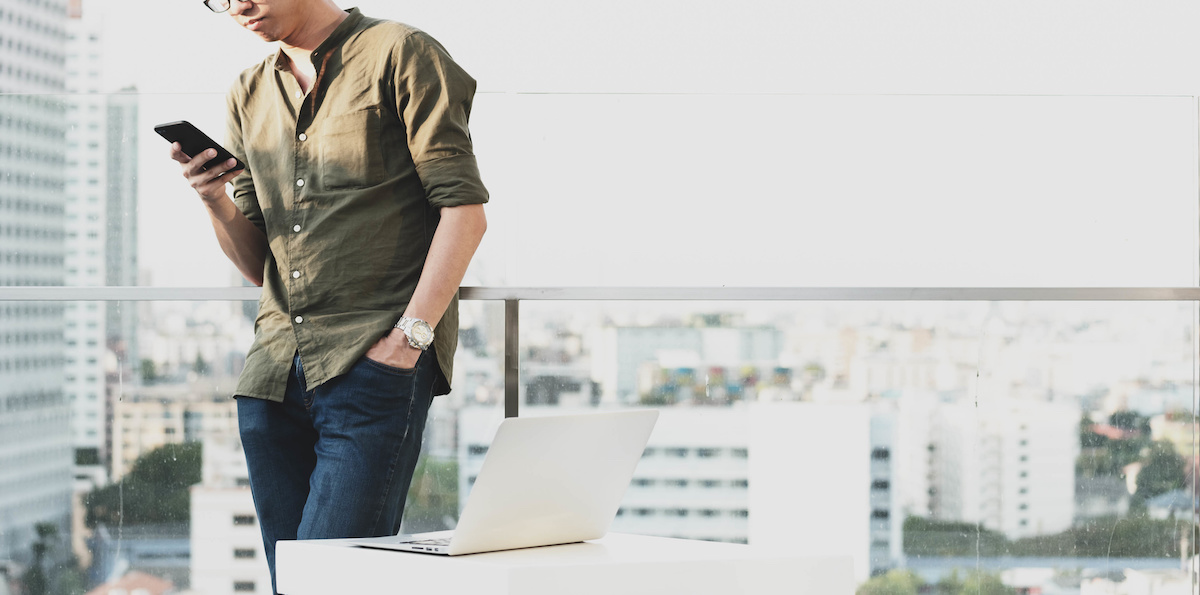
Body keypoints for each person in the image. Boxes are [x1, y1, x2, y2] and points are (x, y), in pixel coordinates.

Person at [168, 0, 488, 591]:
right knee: (291, 584)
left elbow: (464, 214)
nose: (238, 7)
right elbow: (258, 262)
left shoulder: (402, 53)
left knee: (334, 585)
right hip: (269, 381)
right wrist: (213, 198)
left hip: (372, 370)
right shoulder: (248, 91)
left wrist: (408, 342)